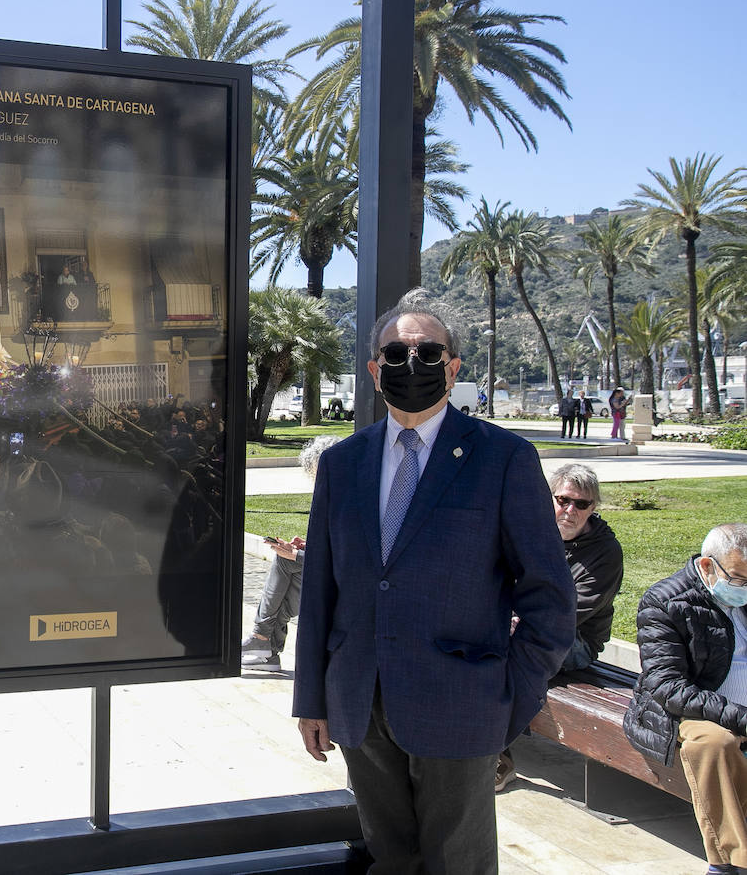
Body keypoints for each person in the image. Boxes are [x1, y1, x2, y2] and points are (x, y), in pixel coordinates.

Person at [293, 288, 574, 874]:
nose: (410, 365)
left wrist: (509, 699)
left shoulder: (503, 458)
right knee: (390, 860)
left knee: (458, 865)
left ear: (453, 366)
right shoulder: (344, 464)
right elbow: (320, 590)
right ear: (374, 371)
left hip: (462, 703)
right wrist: (312, 698)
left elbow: (549, 596)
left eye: (428, 354)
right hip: (361, 704)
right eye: (395, 355)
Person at [623, 524, 747, 875]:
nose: (743, 589)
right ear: (708, 566)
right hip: (688, 709)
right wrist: (740, 717)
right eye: (737, 579)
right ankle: (729, 862)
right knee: (713, 744)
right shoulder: (665, 601)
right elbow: (669, 687)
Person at [496, 462, 624, 791]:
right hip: (518, 623)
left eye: (581, 504)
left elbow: (573, 610)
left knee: (501, 656)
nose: (570, 510)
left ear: (593, 507)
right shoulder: (532, 533)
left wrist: (514, 621)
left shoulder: (605, 552)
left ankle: (497, 756)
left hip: (575, 639)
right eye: (563, 500)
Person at [241, 434, 340, 670]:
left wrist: (297, 555)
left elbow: (345, 556)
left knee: (287, 565)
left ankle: (263, 641)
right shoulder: (337, 498)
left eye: (319, 475)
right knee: (287, 573)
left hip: (341, 578)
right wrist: (306, 546)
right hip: (327, 571)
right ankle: (266, 648)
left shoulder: (347, 503)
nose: (317, 483)